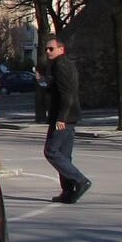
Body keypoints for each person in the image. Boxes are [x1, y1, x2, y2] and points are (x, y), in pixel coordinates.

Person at [40, 37, 90, 203]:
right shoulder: (65, 64)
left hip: (63, 117)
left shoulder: (60, 65)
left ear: (61, 49)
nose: (48, 51)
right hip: (70, 116)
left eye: (51, 49)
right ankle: (68, 191)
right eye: (46, 49)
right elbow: (60, 89)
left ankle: (80, 180)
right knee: (64, 155)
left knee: (51, 151)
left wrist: (61, 118)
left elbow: (67, 94)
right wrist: (44, 83)